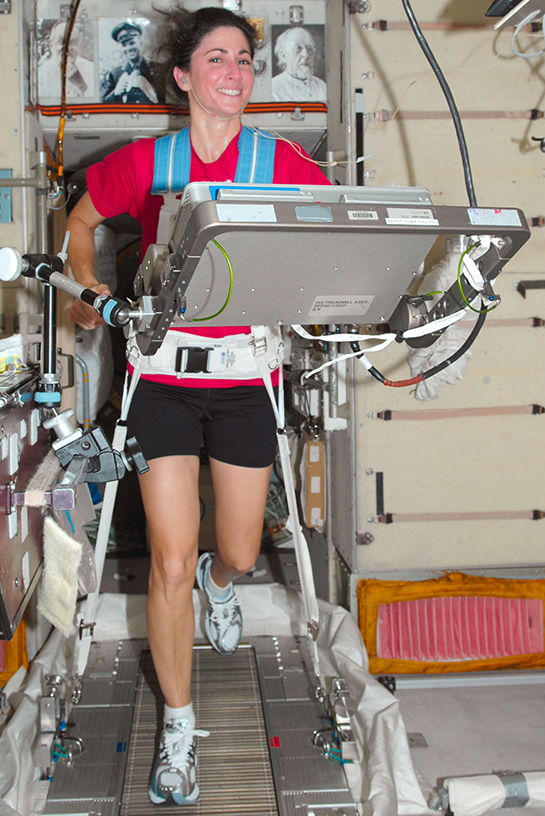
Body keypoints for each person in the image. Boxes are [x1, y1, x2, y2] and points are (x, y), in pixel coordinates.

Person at [66, 5, 329, 807]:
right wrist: (88, 291)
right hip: (164, 381)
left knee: (239, 555)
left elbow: (333, 234)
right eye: (217, 58)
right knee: (170, 561)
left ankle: (226, 582)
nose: (235, 71)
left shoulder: (282, 162)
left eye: (245, 59)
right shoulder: (149, 161)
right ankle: (178, 727)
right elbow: (79, 223)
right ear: (183, 77)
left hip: (247, 380)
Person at [101, 22, 164, 104]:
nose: (129, 48)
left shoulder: (159, 69)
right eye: (124, 45)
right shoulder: (115, 74)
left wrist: (150, 90)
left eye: (132, 43)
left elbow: (171, 101)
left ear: (141, 43)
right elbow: (103, 104)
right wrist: (115, 93)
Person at [38, 18, 94, 99]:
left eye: (73, 42)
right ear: (52, 46)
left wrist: (80, 85)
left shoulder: (90, 69)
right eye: (62, 42)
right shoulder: (41, 76)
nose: (68, 48)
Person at [272, 26, 327, 102]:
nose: (306, 55)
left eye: (309, 48)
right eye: (298, 48)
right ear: (283, 55)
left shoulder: (322, 86)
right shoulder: (274, 88)